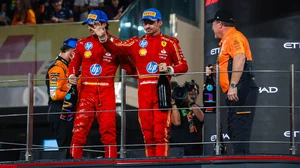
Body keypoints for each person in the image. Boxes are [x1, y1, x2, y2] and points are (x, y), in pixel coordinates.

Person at [92, 8, 189, 157]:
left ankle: (160, 164)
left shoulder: (170, 42)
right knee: (147, 133)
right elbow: (116, 48)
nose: (147, 26)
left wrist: (169, 69)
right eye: (145, 23)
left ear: (160, 22)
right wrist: (103, 38)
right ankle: (150, 164)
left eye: (151, 22)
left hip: (161, 91)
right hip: (143, 92)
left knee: (160, 132)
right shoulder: (136, 42)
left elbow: (184, 66)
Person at [67, 10, 136, 159]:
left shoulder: (115, 44)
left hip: (106, 91)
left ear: (104, 25)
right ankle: (72, 163)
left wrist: (146, 75)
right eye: (88, 24)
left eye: (93, 24)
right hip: (86, 91)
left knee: (108, 131)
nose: (89, 27)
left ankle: (110, 163)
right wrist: (71, 75)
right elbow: (73, 64)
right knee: (79, 130)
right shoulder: (82, 43)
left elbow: (130, 68)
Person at [206, 9, 258, 154]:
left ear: (220, 24)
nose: (212, 28)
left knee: (239, 131)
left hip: (241, 89)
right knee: (235, 130)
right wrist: (215, 72)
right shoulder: (226, 40)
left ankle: (242, 163)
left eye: (213, 24)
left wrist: (233, 86)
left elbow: (240, 57)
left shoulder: (234, 37)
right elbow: (228, 67)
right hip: (237, 91)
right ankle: (240, 161)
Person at [46, 37, 78, 157]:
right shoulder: (57, 68)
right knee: (64, 149)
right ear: (72, 53)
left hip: (66, 112)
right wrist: (72, 90)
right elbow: (55, 95)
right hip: (59, 113)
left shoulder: (66, 67)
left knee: (69, 149)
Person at [170, 80, 204, 156]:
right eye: (189, 90)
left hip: (195, 148)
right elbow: (176, 122)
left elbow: (202, 118)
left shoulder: (197, 108)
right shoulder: (175, 108)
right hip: (178, 148)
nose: (192, 91)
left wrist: (190, 101)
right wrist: (173, 103)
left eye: (195, 89)